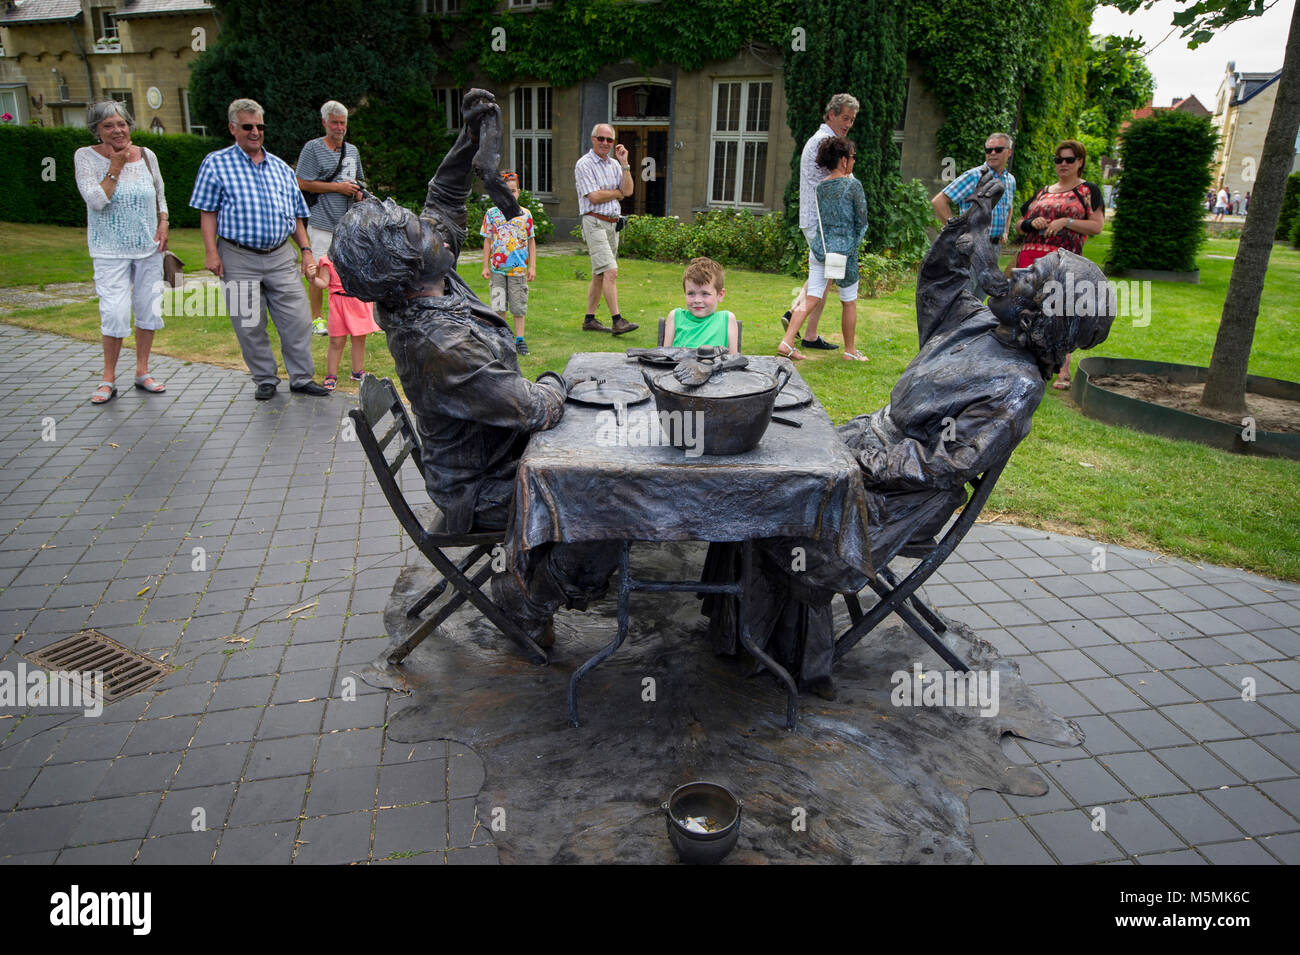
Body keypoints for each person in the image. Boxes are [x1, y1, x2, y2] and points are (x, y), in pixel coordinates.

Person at [704, 170, 1116, 697]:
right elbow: (942, 280)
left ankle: (780, 658)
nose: (1012, 275)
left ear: (1044, 314)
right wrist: (972, 221)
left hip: (898, 497)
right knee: (760, 465)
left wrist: (855, 462)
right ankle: (734, 630)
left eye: (1027, 280)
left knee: (777, 503)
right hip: (867, 452)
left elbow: (944, 462)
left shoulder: (1016, 386)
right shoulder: (983, 325)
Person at [331, 89, 621, 650]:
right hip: (483, 484)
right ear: (408, 262)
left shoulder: (425, 281)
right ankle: (530, 596)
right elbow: (534, 409)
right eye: (414, 228)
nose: (426, 224)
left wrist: (471, 139)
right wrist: (567, 378)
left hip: (495, 451)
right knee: (607, 496)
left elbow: (443, 194)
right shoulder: (439, 341)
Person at [190, 98, 329, 400]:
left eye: (260, 126)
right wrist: (211, 252)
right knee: (249, 324)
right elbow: (207, 212)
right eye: (247, 126)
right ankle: (265, 379)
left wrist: (306, 251)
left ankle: (302, 378)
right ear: (233, 128)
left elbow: (296, 216)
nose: (255, 132)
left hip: (280, 256)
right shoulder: (216, 163)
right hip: (238, 256)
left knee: (298, 319)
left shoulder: (280, 167)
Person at [74, 100, 168, 404]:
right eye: (108, 126)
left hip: (148, 248)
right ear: (97, 131)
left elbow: (160, 194)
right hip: (109, 250)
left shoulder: (148, 156)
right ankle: (108, 378)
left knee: (148, 309)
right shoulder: (85, 157)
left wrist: (164, 222)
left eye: (121, 124)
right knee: (114, 312)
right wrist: (115, 165)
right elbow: (96, 200)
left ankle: (142, 372)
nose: (117, 130)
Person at [1014, 139, 1105, 391]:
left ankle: (1062, 370)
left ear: (1080, 162)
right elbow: (1019, 224)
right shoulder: (1043, 192)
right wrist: (1033, 223)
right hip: (1030, 258)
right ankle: (1023, 363)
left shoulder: (1087, 191)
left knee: (1060, 313)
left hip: (1063, 262)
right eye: (1058, 160)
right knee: (1024, 310)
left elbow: (1097, 226)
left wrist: (1066, 221)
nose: (1063, 164)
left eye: (1069, 160)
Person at [777, 137, 869, 361]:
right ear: (844, 160)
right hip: (844, 252)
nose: (854, 161)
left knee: (811, 296)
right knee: (849, 300)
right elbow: (862, 220)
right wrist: (853, 246)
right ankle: (850, 351)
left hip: (820, 249)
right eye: (853, 157)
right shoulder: (853, 185)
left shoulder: (821, 187)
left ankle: (787, 342)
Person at [784, 93, 859, 352]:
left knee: (825, 278)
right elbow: (839, 183)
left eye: (852, 120)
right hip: (823, 224)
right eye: (845, 118)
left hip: (820, 222)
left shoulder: (824, 140)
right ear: (831, 115)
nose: (848, 123)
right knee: (823, 279)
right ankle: (795, 317)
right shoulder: (826, 143)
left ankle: (809, 333)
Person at [296, 100, 366, 336]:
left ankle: (354, 316)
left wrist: (359, 192)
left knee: (351, 270)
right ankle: (316, 318)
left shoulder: (352, 151)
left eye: (343, 123)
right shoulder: (312, 149)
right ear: (324, 122)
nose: (339, 128)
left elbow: (361, 181)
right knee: (316, 270)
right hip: (322, 221)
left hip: (348, 224)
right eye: (334, 122)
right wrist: (337, 188)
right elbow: (301, 182)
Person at [931, 131, 1017, 295]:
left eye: (998, 149)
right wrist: (958, 233)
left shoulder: (1009, 180)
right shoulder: (974, 176)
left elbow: (1009, 206)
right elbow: (939, 201)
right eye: (988, 149)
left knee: (981, 297)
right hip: (973, 249)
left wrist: (1005, 230)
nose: (992, 153)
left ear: (1009, 152)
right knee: (962, 296)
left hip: (994, 248)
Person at [574, 123, 638, 336]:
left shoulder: (614, 165)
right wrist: (616, 193)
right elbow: (593, 196)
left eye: (609, 140)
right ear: (593, 139)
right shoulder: (584, 164)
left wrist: (625, 163)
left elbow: (628, 191)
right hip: (594, 222)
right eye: (601, 139)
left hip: (612, 224)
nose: (605, 143)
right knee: (611, 271)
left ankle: (589, 320)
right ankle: (617, 321)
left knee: (599, 274)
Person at [480, 170, 536, 355]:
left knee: (518, 305)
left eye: (513, 191)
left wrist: (532, 266)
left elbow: (531, 241)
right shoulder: (491, 214)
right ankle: (502, 338)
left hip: (518, 269)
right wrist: (485, 266)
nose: (510, 194)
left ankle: (520, 339)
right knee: (498, 304)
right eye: (505, 191)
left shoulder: (525, 215)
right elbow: (488, 240)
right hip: (497, 270)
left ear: (518, 192)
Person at [305, 255, 379, 389]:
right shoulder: (328, 261)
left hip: (359, 302)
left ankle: (358, 372)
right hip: (339, 304)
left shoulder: (361, 255)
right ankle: (331, 375)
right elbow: (323, 283)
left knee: (359, 339)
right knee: (336, 342)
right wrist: (312, 278)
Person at [662, 257, 740, 352]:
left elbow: (733, 360)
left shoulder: (727, 319)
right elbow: (665, 355)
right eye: (691, 293)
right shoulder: (675, 317)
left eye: (705, 294)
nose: (697, 300)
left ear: (720, 295)